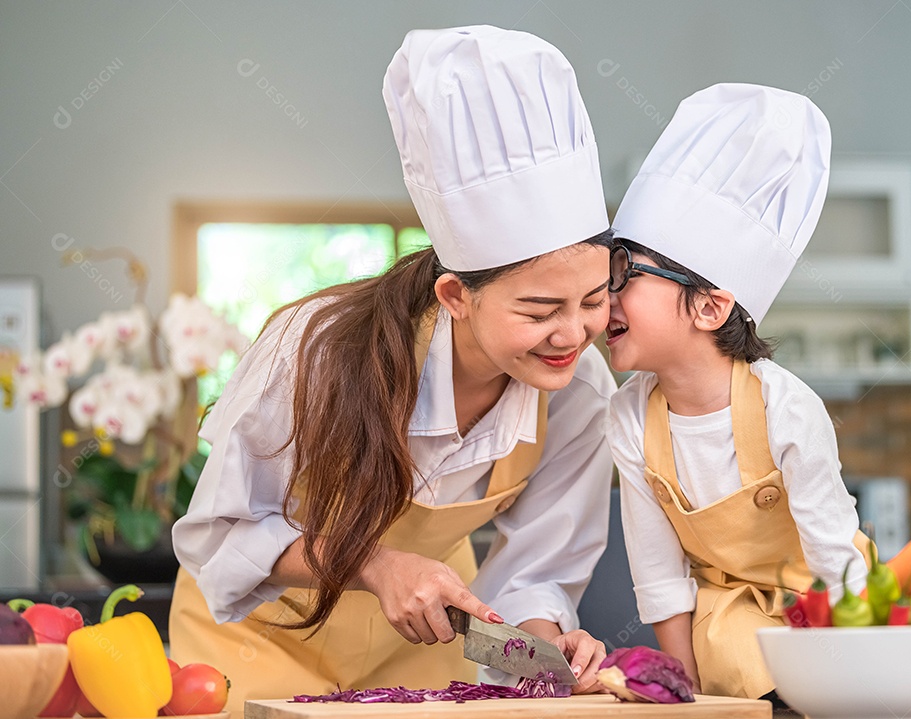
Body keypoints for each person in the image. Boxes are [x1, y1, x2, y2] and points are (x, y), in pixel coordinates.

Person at [169, 25, 615, 710]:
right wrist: (373, 564)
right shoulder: (314, 348)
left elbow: (537, 569)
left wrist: (543, 644)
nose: (573, 333)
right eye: (539, 309)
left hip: (423, 651)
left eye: (593, 299)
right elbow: (219, 533)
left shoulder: (581, 390)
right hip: (255, 640)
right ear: (456, 295)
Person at [604, 83, 911, 706]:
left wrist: (900, 673)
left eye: (626, 271)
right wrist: (681, 691)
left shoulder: (787, 408)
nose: (606, 295)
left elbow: (835, 558)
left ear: (709, 306)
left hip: (833, 610)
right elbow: (659, 576)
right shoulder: (627, 417)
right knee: (744, 660)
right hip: (725, 625)